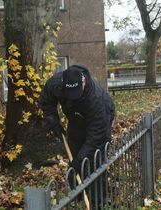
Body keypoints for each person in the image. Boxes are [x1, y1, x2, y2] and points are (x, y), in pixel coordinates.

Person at [38, 65, 115, 208]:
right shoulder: (55, 84)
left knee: (95, 156)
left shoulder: (96, 99)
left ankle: (98, 198)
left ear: (83, 83)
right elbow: (46, 101)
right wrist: (53, 121)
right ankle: (78, 193)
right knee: (74, 150)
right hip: (76, 118)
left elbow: (96, 136)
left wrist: (81, 158)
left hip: (100, 119)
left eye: (76, 93)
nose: (72, 97)